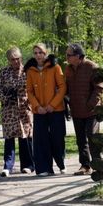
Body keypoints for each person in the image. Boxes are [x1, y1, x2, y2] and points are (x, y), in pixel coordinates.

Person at [25, 43, 67, 176]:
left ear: (46, 53)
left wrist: (52, 105)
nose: (38, 55)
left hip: (56, 110)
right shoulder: (30, 70)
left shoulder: (56, 67)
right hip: (40, 111)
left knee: (57, 138)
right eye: (35, 53)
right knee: (41, 140)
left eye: (41, 52)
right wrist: (37, 107)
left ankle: (61, 163)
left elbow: (62, 88)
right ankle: (44, 168)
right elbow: (29, 91)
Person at [64, 43, 103, 177]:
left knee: (92, 136)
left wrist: (90, 104)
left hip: (91, 111)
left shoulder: (91, 67)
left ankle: (99, 165)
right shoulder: (68, 69)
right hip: (76, 110)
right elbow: (67, 88)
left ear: (78, 56)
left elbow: (99, 88)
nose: (67, 57)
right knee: (81, 139)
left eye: (69, 55)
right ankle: (85, 165)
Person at [0, 47, 34, 177]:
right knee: (9, 138)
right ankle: (8, 166)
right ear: (9, 60)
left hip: (25, 109)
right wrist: (6, 97)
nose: (16, 62)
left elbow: (33, 88)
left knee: (26, 137)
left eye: (18, 59)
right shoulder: (2, 73)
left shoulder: (28, 71)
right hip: (9, 109)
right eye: (13, 59)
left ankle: (28, 165)